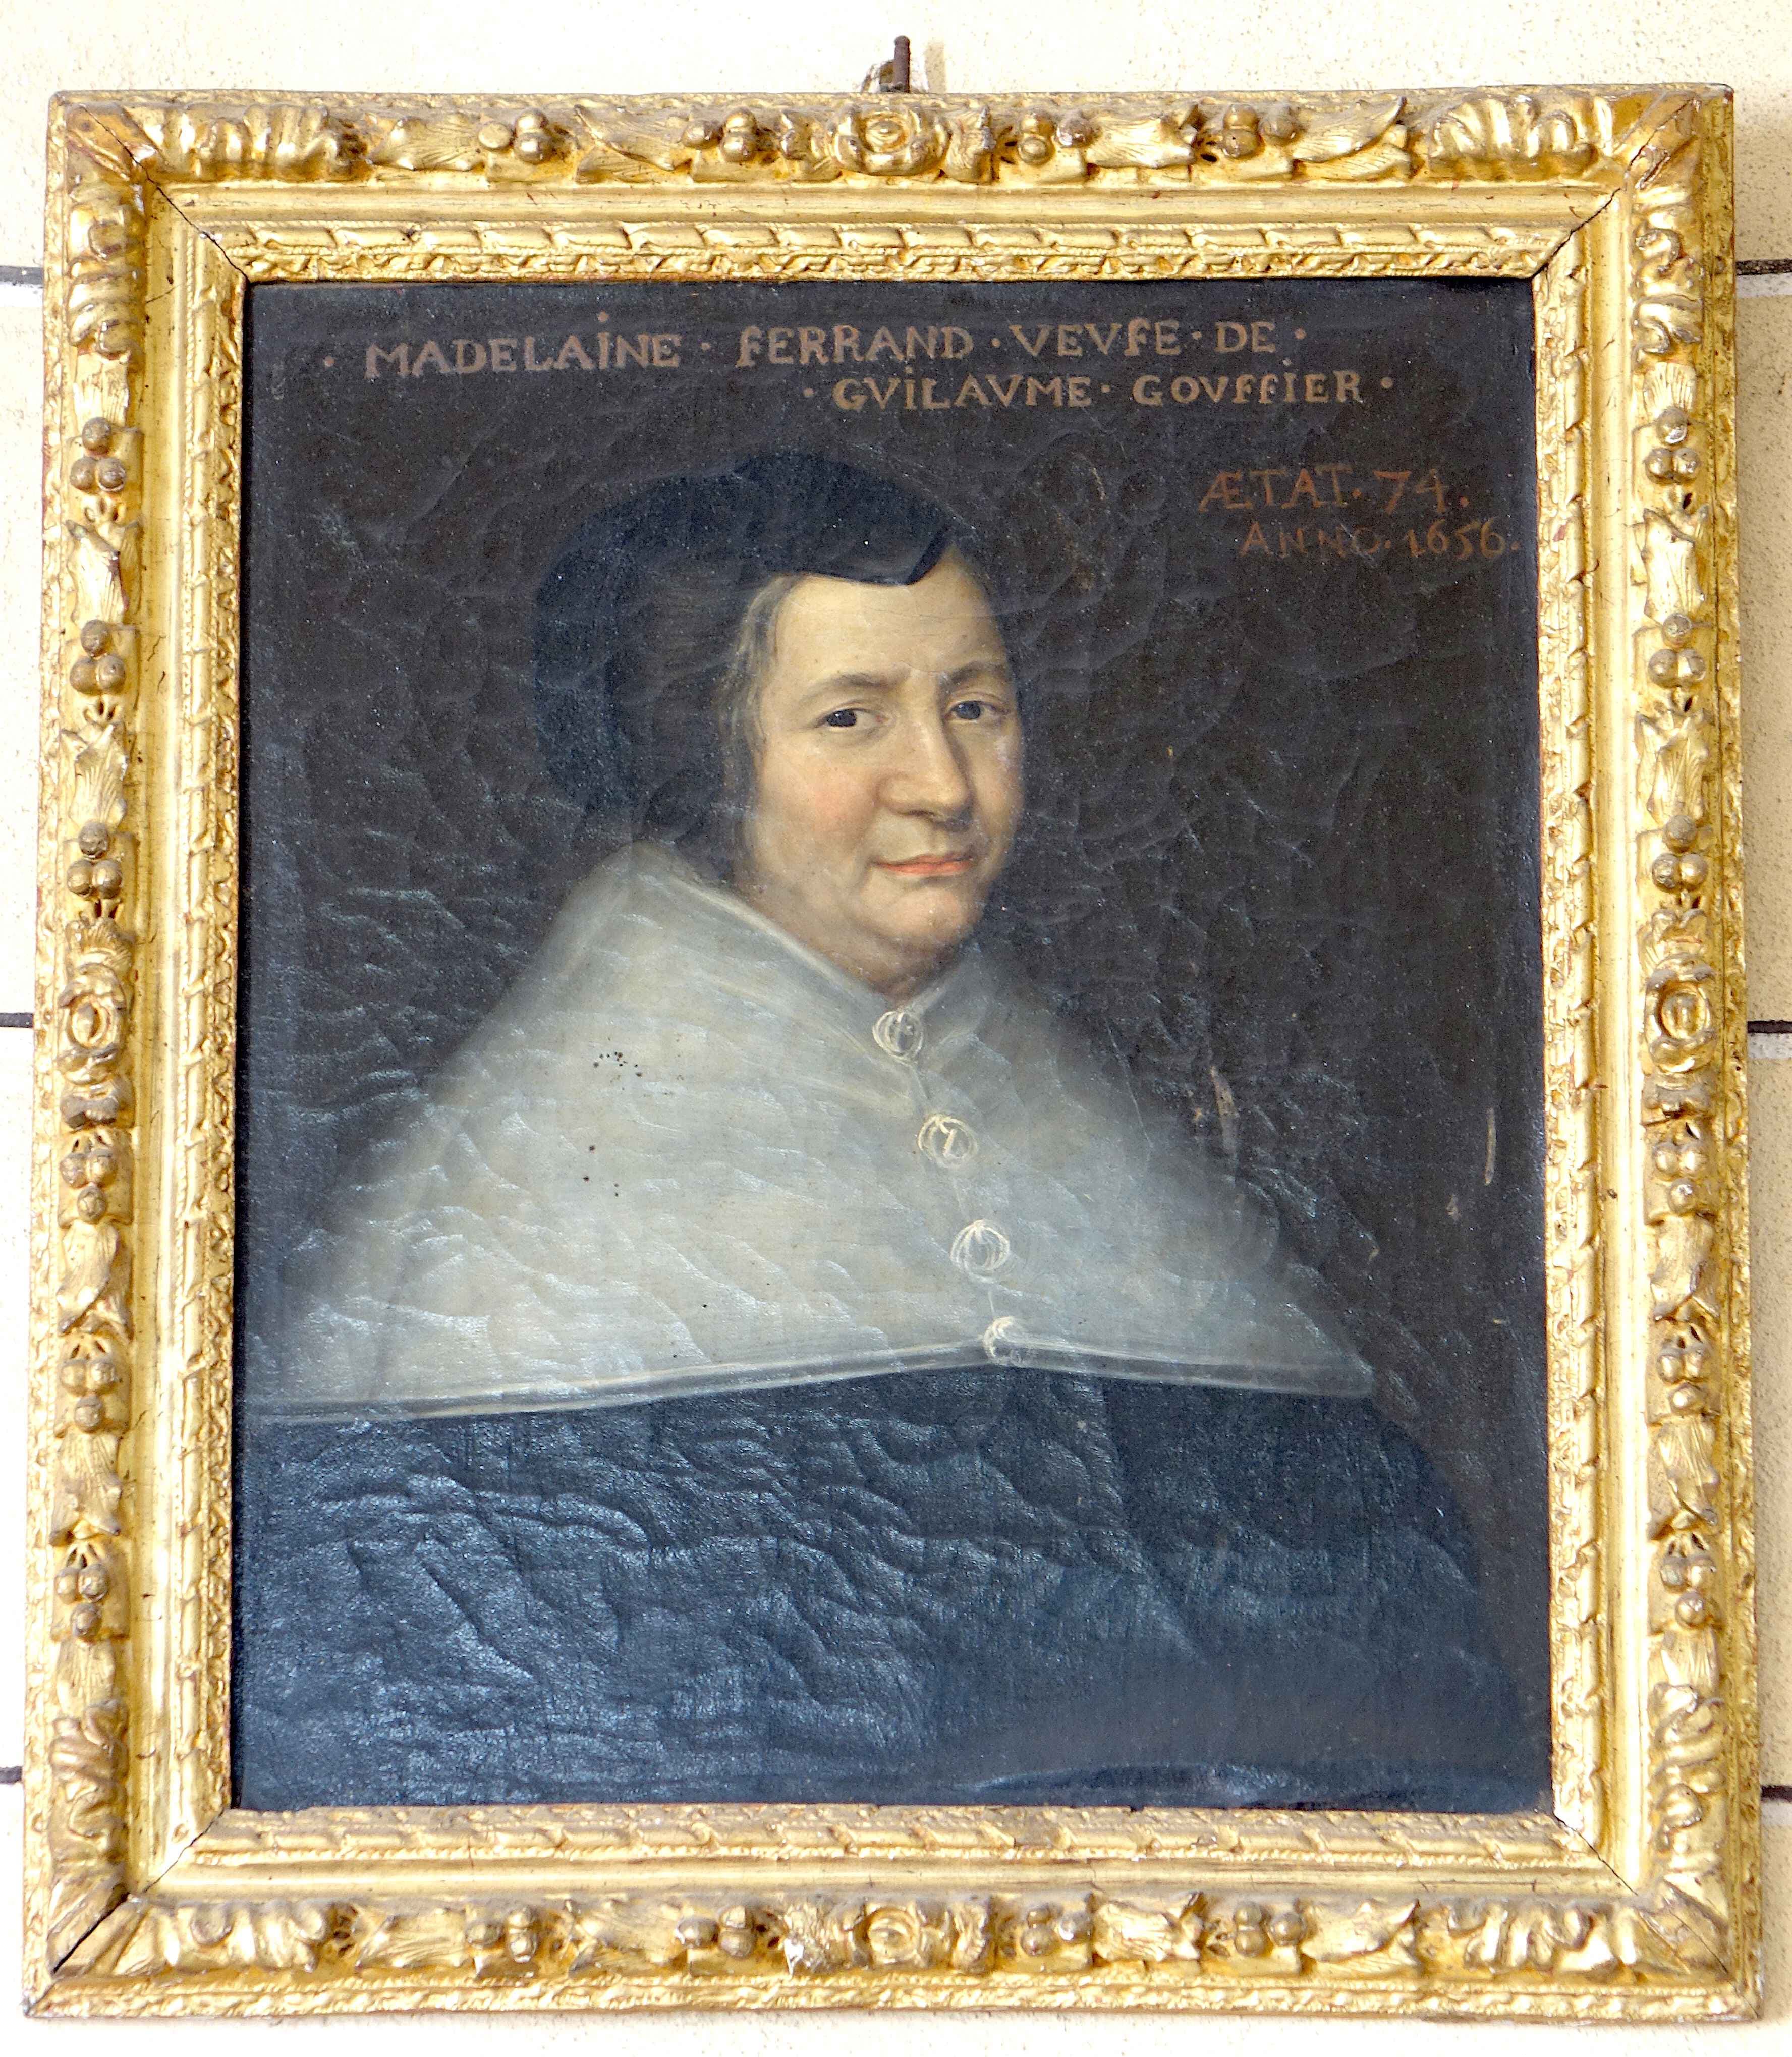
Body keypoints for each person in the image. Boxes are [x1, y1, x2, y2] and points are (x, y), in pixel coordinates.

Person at [235, 455, 1543, 1812]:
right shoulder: (536, 1171)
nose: (943, 784)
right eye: (852, 718)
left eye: (975, 706)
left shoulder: (1059, 1097)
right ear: (697, 757)